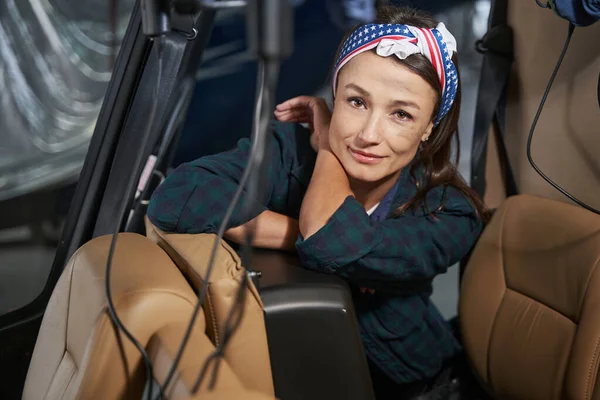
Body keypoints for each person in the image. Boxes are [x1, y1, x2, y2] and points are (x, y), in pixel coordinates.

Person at [147, 5, 488, 399]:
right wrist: (300, 228)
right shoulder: (288, 151)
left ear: (429, 128)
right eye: (356, 102)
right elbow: (177, 198)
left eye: (401, 115)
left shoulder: (450, 211)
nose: (368, 135)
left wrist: (327, 145)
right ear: (335, 97)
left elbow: (330, 242)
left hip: (421, 388)